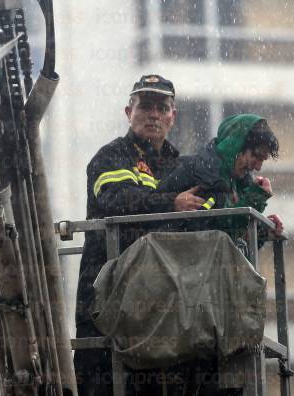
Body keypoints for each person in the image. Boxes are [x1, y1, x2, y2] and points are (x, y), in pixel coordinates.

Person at [74, 74, 204, 395]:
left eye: (162, 107)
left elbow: (210, 217)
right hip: (107, 299)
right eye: (145, 106)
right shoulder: (111, 156)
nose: (153, 114)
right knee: (102, 382)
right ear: (128, 111)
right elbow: (116, 201)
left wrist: (250, 196)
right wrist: (171, 203)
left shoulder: (181, 166)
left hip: (164, 308)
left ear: (173, 116)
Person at [158, 112, 284, 236]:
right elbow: (221, 232)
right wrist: (253, 199)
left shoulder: (238, 184)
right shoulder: (191, 170)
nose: (258, 167)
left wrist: (262, 232)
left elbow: (233, 244)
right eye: (257, 156)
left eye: (262, 160)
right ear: (235, 146)